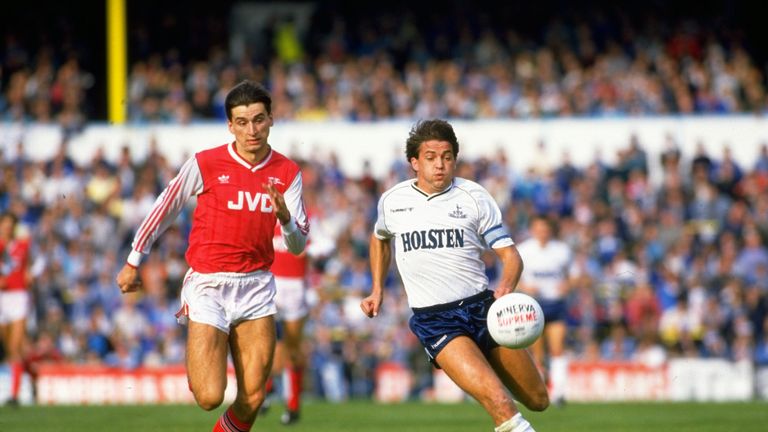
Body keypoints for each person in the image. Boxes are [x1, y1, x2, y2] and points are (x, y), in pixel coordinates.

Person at [116, 80, 309, 432]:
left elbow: (298, 246)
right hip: (209, 283)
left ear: (271, 120)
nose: (252, 129)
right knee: (208, 396)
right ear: (230, 125)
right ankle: (202, 354)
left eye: (259, 119)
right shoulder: (207, 162)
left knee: (252, 398)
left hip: (257, 287)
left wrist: (285, 218)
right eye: (242, 121)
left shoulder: (288, 173)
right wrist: (133, 259)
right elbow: (167, 206)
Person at [360, 119, 549, 432]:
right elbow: (379, 238)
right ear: (414, 162)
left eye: (447, 157)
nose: (440, 165)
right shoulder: (393, 201)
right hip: (437, 321)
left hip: (483, 309)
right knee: (500, 404)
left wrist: (505, 287)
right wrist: (376, 289)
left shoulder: (474, 196)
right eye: (431, 157)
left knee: (538, 399)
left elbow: (511, 256)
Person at [515, 216, 573, 406]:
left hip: (555, 304)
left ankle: (560, 394)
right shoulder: (524, 250)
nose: (542, 232)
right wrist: (525, 287)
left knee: (558, 349)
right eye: (538, 228)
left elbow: (574, 275)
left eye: (545, 228)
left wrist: (568, 285)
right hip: (533, 306)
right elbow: (514, 277)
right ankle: (543, 389)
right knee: (537, 353)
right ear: (532, 229)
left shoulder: (561, 250)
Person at [264, 219, 310, 425]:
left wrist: (311, 249)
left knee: (292, 346)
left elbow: (324, 244)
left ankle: (292, 404)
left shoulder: (301, 222)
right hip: (269, 282)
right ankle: (266, 388)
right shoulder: (264, 218)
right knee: (266, 342)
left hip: (293, 287)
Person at [0, 212, 32, 407]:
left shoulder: (23, 246)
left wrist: (29, 276)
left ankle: (14, 393)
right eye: (5, 224)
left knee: (14, 346)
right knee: (5, 346)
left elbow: (30, 266)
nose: (8, 228)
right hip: (2, 296)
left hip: (18, 295)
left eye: (11, 224)